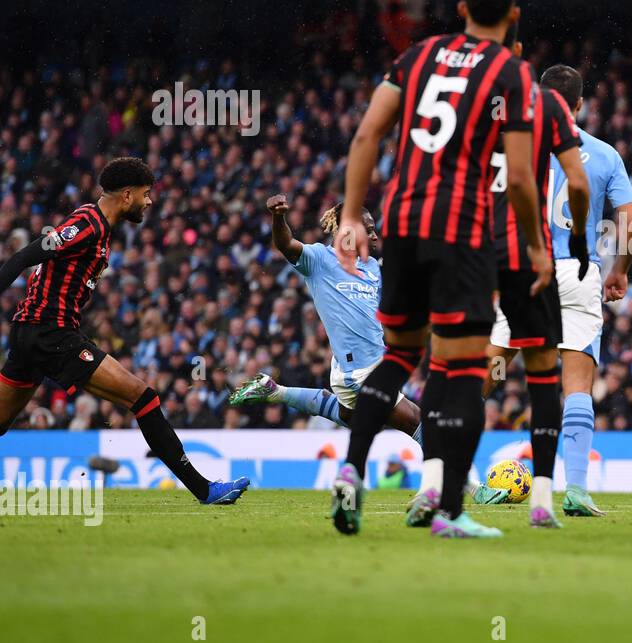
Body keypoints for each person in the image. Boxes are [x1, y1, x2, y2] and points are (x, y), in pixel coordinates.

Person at [331, 0, 550, 539]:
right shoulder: (513, 73)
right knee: (462, 368)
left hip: (401, 222)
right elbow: (523, 180)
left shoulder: (418, 56)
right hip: (462, 231)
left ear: (459, 11)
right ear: (513, 14)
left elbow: (365, 135)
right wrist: (535, 247)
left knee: (400, 357)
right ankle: (450, 509)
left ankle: (351, 468)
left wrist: (353, 214)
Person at [226, 197, 508, 505]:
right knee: (420, 421)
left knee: (352, 417)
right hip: (359, 373)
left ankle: (276, 391)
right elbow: (286, 244)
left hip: (364, 368)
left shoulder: (373, 268)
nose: (375, 237)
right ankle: (470, 488)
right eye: (369, 230)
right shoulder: (320, 259)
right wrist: (278, 218)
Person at [0, 157, 249, 505]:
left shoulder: (96, 224)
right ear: (127, 195)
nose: (149, 202)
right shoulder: (88, 224)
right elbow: (26, 256)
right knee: (142, 397)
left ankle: (206, 490)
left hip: (33, 332)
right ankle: (205, 489)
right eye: (146, 194)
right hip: (49, 332)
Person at [436, 56, 590, 529]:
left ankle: (438, 484)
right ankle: (544, 498)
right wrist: (575, 239)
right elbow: (572, 186)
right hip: (529, 260)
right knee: (546, 377)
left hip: (473, 254)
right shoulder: (557, 123)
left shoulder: (471, 111)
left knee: (469, 371)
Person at [481, 63, 632, 518]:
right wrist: (619, 271)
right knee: (576, 386)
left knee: (490, 370)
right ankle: (575, 491)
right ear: (579, 105)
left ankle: (447, 467)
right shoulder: (604, 154)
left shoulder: (514, 146)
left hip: (524, 267)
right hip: (579, 270)